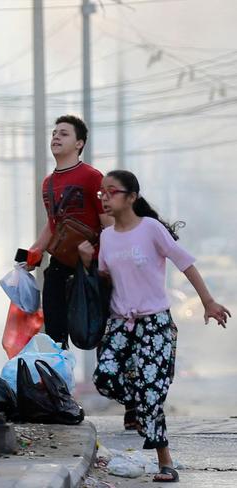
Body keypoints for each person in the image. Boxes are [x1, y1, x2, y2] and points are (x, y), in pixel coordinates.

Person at [78, 169, 230, 483]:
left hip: (155, 324)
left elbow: (185, 263)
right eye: (101, 193)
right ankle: (136, 401)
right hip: (121, 324)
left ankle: (165, 462)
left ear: (131, 197)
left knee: (151, 395)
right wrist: (86, 263)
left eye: (112, 192)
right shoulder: (106, 237)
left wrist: (208, 302)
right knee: (105, 377)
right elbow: (105, 279)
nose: (104, 197)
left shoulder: (150, 229)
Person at [27, 115, 112, 348]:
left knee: (97, 332)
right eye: (54, 133)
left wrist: (100, 260)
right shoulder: (48, 183)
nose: (56, 137)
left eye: (64, 134)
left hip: (92, 268)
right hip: (60, 264)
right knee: (54, 337)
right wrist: (31, 255)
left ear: (79, 144)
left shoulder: (92, 177)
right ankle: (59, 379)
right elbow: (52, 225)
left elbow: (109, 223)